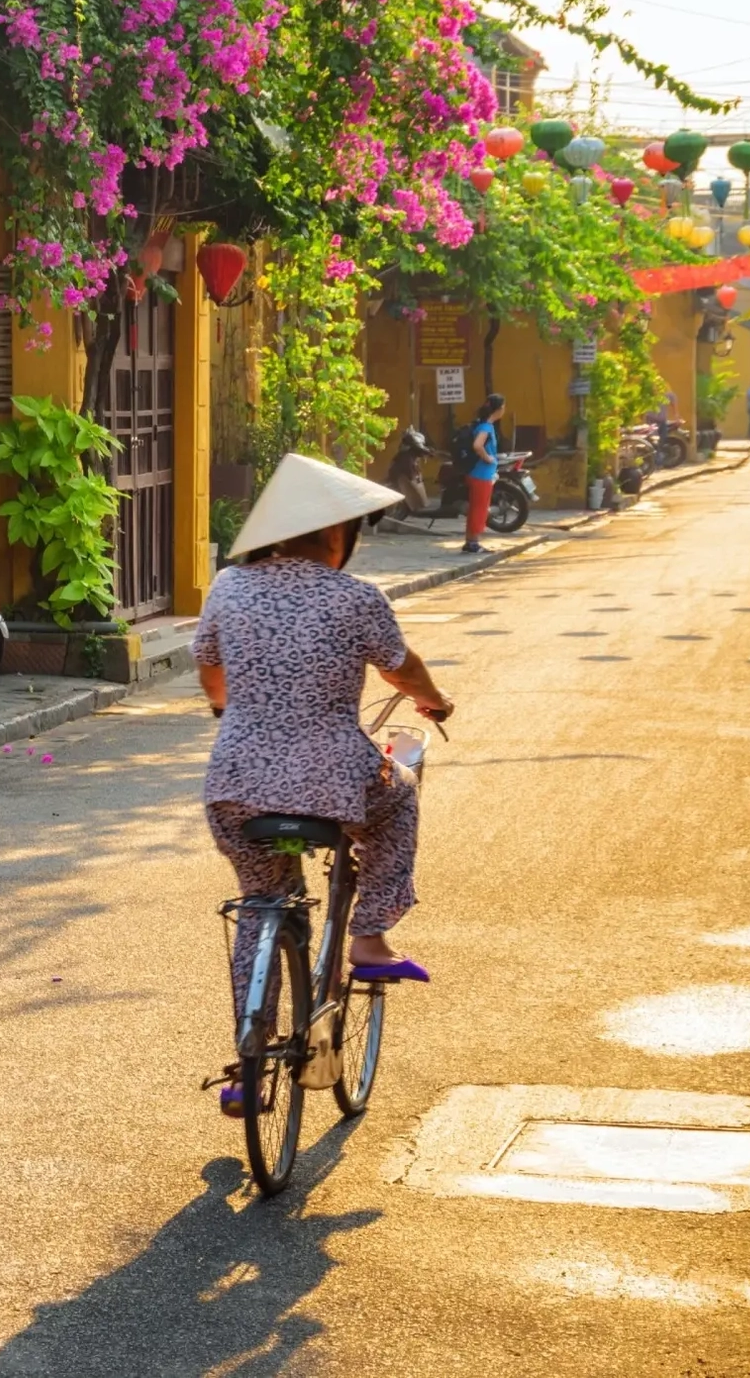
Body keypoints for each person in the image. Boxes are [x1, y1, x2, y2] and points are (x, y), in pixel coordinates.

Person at [192, 453, 454, 1114]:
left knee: (262, 900)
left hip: (235, 785)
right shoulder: (357, 597)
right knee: (398, 798)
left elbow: (211, 671)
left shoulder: (229, 586)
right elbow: (403, 669)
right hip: (334, 781)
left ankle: (249, 1065)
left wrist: (233, 711)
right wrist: (435, 700)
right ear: (340, 535)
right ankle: (368, 934)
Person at [463, 393, 505, 555]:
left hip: (479, 473)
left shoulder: (484, 425)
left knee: (477, 508)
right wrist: (488, 458)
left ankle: (470, 542)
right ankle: (473, 543)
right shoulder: (486, 427)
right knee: (479, 509)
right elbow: (477, 445)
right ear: (499, 409)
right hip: (482, 474)